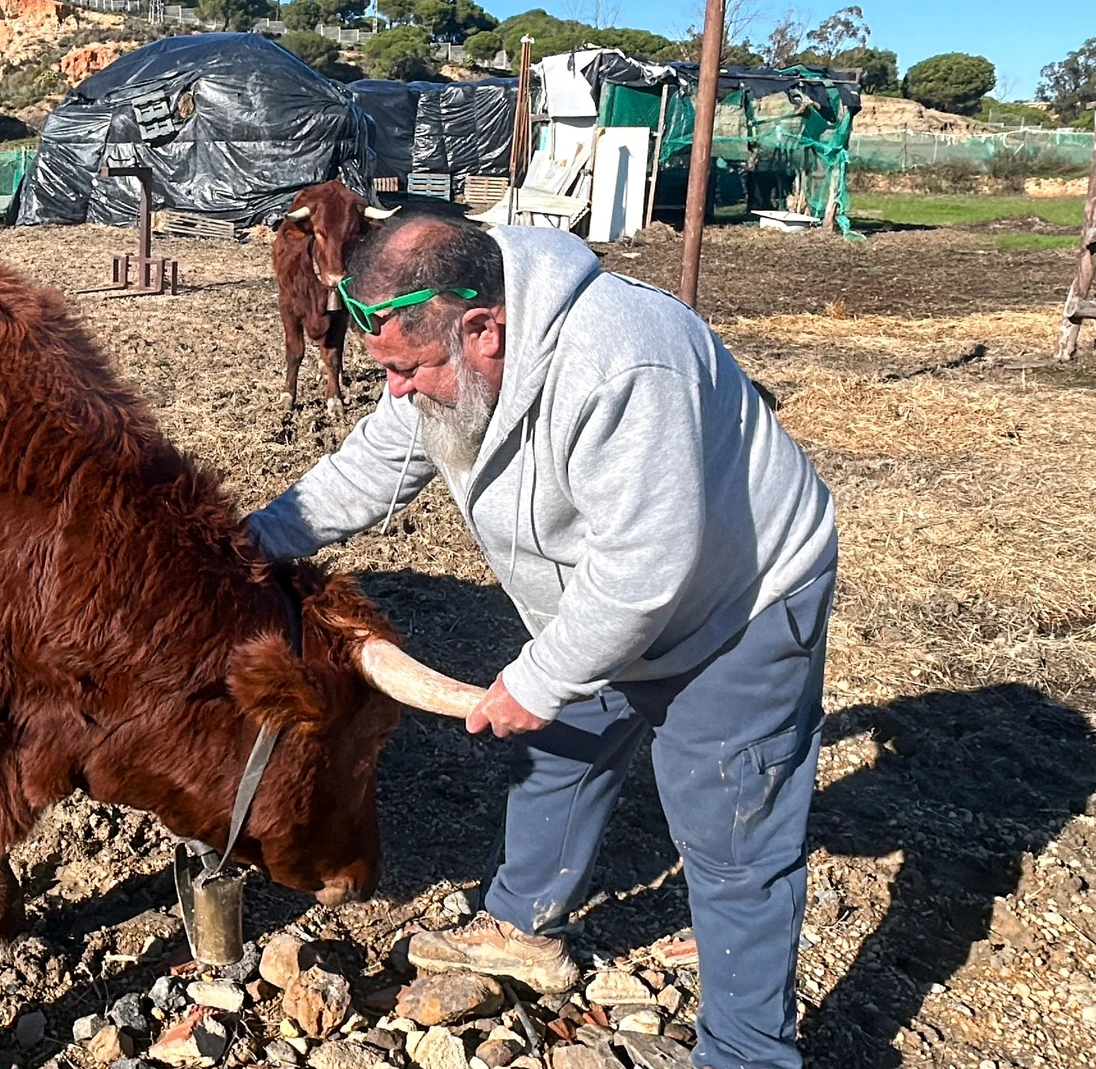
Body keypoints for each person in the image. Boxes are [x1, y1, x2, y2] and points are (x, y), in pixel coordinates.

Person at [246, 203, 837, 1069]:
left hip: (732, 607)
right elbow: (374, 462)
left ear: (484, 329)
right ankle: (521, 925)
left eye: (408, 371)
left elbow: (644, 567)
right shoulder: (447, 340)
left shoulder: (626, 360)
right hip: (596, 600)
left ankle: (749, 1052)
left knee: (733, 837)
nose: (397, 392)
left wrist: (540, 674)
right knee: (560, 745)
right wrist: (244, 544)